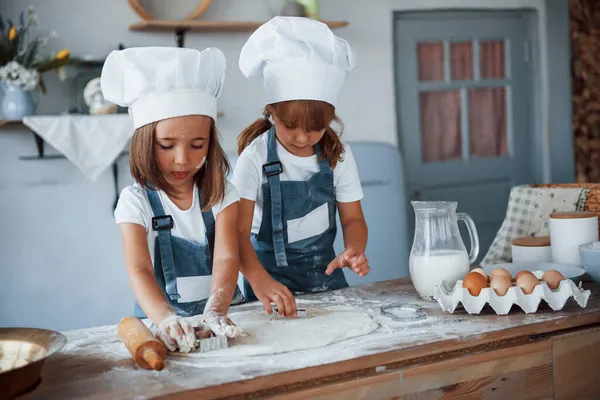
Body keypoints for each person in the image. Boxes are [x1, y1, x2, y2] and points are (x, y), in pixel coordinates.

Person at [101, 46, 245, 352]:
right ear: (144, 142)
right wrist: (166, 318)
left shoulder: (223, 194)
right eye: (166, 145)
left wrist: (216, 310)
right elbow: (139, 269)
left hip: (221, 322)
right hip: (162, 326)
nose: (182, 159)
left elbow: (226, 258)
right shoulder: (135, 202)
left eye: (197, 144)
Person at [232, 17, 370, 318]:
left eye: (315, 127)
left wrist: (354, 249)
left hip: (327, 282)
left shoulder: (338, 155)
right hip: (266, 286)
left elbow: (353, 219)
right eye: (291, 126)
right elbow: (237, 232)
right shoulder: (254, 158)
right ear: (272, 113)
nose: (302, 137)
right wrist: (258, 281)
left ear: (330, 119)